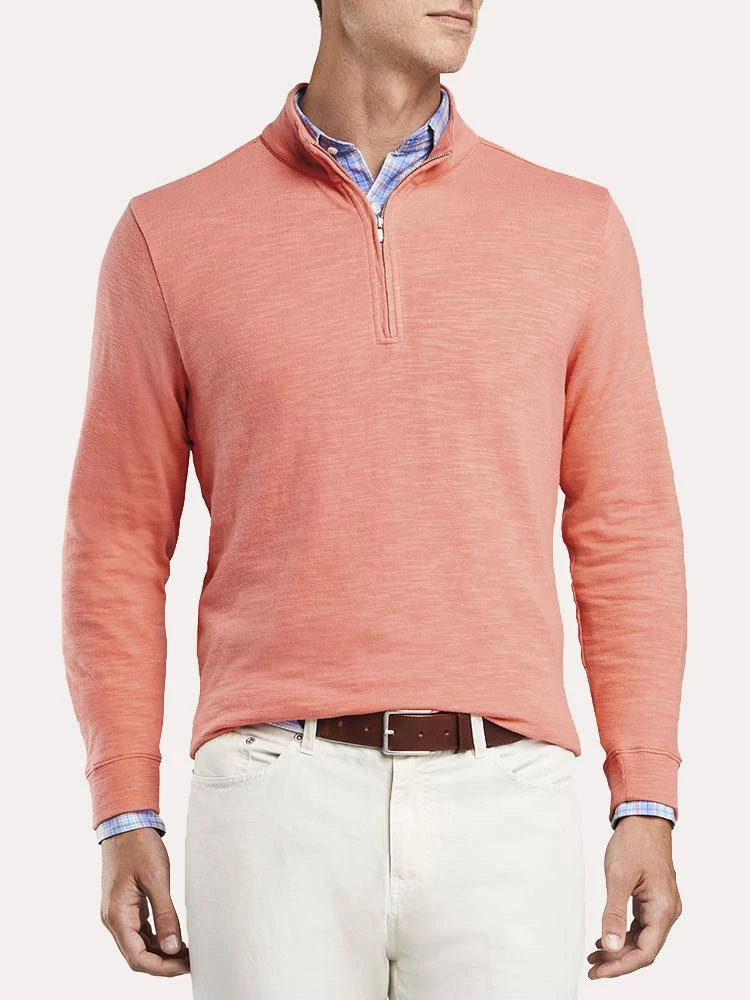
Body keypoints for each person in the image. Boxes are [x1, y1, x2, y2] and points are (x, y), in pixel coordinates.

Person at [62, 1, 686, 996]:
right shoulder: (168, 234)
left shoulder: (577, 228)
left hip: (508, 796)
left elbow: (628, 525)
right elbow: (116, 540)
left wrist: (644, 793)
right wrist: (122, 807)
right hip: (272, 799)